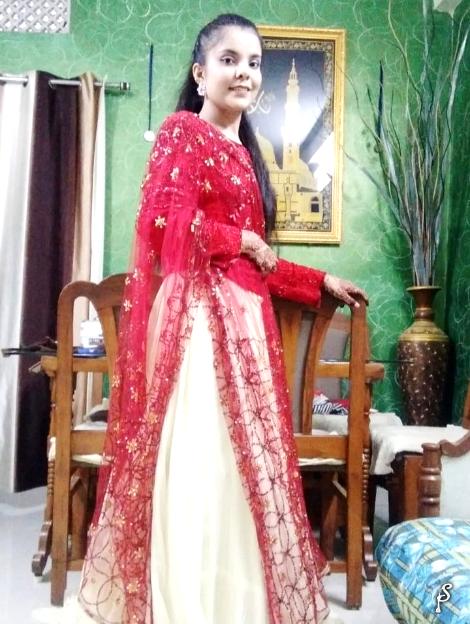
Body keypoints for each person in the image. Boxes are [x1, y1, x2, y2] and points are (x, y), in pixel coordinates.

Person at [75, 13, 366, 624]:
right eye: (229, 59)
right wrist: (240, 238)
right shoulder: (183, 131)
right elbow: (161, 226)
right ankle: (183, 606)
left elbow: (257, 263)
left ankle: (235, 607)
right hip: (197, 326)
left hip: (244, 325)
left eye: (254, 62)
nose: (245, 73)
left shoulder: (247, 155)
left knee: (240, 470)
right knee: (200, 463)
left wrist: (319, 281)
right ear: (200, 73)